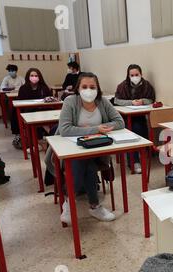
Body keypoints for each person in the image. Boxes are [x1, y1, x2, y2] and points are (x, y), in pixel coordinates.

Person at [45, 72, 125, 224]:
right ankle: (93, 206)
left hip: (97, 150)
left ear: (98, 88)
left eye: (92, 87)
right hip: (70, 149)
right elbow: (65, 129)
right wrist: (96, 129)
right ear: (78, 88)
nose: (89, 90)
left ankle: (69, 202)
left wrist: (95, 128)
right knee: (84, 163)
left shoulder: (102, 102)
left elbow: (120, 122)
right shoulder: (70, 101)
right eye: (85, 86)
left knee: (85, 161)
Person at [114, 64, 155, 173]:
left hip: (141, 115)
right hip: (126, 117)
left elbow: (151, 99)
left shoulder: (147, 85)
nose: (134, 77)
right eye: (132, 75)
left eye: (137, 74)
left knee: (141, 128)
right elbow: (117, 100)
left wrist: (142, 101)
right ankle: (134, 161)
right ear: (128, 75)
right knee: (133, 130)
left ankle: (143, 154)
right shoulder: (122, 86)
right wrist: (131, 102)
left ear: (141, 74)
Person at [11, 68, 52, 150]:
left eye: (36, 75)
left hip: (42, 110)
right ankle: (37, 141)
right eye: (32, 75)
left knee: (42, 116)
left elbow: (49, 99)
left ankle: (47, 138)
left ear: (39, 77)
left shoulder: (44, 87)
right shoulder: (23, 88)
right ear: (28, 77)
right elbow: (20, 102)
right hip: (28, 111)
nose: (34, 77)